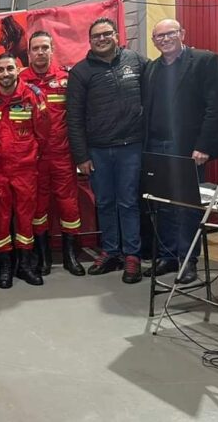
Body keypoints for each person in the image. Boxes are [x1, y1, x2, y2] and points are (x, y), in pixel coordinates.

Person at [142, 19, 218, 284]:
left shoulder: (205, 60)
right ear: (154, 41)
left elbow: (215, 107)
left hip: (189, 148)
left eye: (170, 33)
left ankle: (188, 260)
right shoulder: (152, 68)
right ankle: (168, 256)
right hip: (157, 146)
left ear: (182, 34)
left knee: (187, 206)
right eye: (159, 36)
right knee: (164, 204)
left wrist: (203, 145)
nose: (165, 39)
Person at [66, 17, 147, 284]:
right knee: (104, 203)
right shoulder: (81, 72)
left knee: (129, 202)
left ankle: (132, 255)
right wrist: (81, 156)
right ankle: (111, 252)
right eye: (96, 36)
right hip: (98, 150)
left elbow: (153, 95)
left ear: (116, 35)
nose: (101, 39)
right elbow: (74, 118)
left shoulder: (136, 61)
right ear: (90, 41)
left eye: (106, 34)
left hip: (131, 146)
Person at [19, 31, 86, 277]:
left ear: (52, 50)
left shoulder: (67, 79)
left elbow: (79, 116)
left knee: (69, 205)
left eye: (44, 47)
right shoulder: (19, 81)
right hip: (33, 158)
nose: (40, 52)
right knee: (38, 207)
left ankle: (70, 256)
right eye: (35, 48)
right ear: (28, 53)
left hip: (62, 154)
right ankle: (43, 256)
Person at [0, 53, 47, 289]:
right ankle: (5, 268)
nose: (5, 73)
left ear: (18, 70)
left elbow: (43, 132)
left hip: (25, 169)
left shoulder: (32, 95)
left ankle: (25, 265)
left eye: (10, 68)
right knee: (1, 220)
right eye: (0, 70)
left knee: (25, 218)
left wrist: (30, 156)